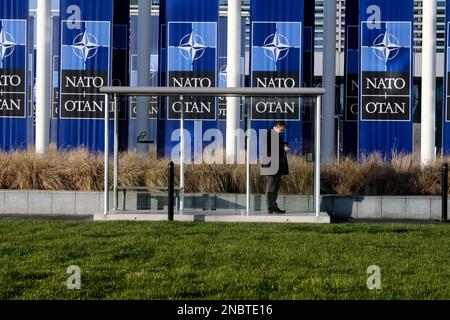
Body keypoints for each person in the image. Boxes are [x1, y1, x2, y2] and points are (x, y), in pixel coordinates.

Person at [262, 121, 290, 214]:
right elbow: (269, 149)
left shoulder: (275, 134)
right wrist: (283, 149)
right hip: (272, 166)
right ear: (277, 127)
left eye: (283, 130)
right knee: (271, 186)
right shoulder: (270, 134)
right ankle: (270, 206)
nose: (282, 132)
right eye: (282, 130)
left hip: (276, 166)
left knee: (275, 186)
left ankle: (273, 205)